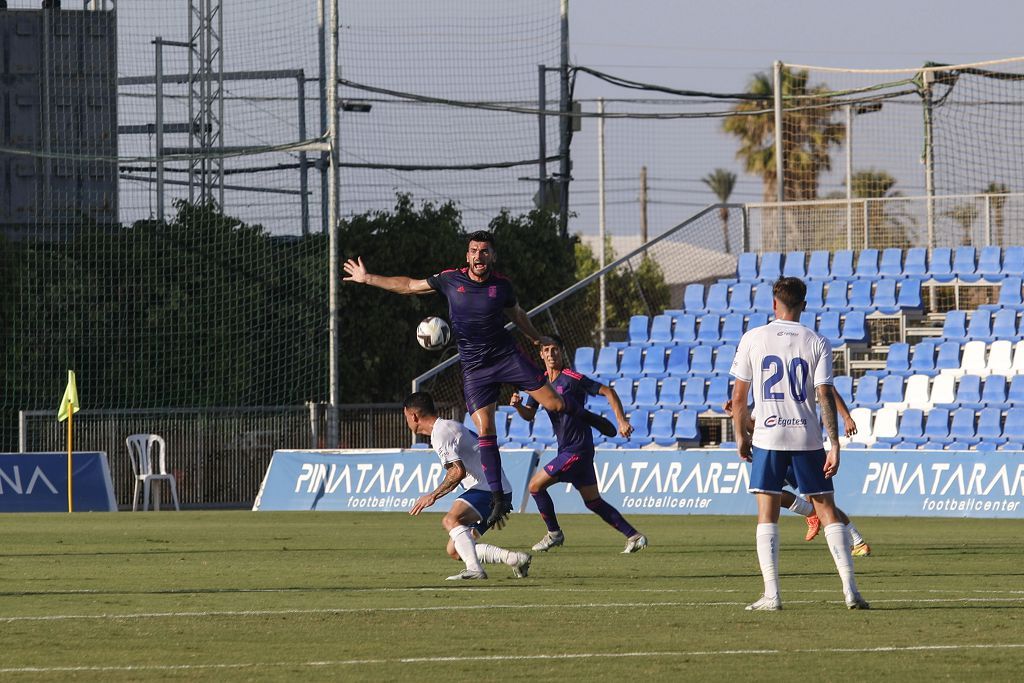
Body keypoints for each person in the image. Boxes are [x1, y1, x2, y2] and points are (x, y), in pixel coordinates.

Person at [344, 230, 615, 530]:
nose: (478, 256)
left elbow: (518, 314)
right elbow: (408, 285)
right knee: (485, 429)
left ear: (492, 257)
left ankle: (593, 419)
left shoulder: (502, 287)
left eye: (484, 251)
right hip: (475, 370)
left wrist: (536, 338)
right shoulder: (450, 280)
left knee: (555, 403)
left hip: (507, 358)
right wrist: (367, 278)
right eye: (474, 250)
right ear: (467, 256)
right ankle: (498, 496)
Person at [729, 276, 869, 611]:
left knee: (767, 513)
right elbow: (823, 394)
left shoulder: (753, 338)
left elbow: (738, 397)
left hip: (768, 436)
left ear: (774, 303)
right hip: (807, 437)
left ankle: (772, 596)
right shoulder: (817, 341)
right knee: (827, 510)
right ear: (804, 305)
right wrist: (834, 444)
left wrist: (740, 437)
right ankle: (851, 591)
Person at [510, 336, 648, 554]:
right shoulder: (539, 383)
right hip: (567, 449)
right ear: (541, 354)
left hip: (578, 448)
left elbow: (608, 392)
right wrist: (518, 407)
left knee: (535, 486)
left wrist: (621, 420)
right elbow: (529, 415)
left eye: (555, 349)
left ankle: (554, 534)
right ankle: (634, 536)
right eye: (547, 350)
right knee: (593, 501)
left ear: (562, 352)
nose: (551, 353)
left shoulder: (572, 378)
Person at [403, 392, 532, 581]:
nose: (407, 421)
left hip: (488, 490)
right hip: (497, 490)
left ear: (413, 416)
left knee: (450, 520)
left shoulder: (441, 432)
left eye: (405, 416)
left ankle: (474, 569)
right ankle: (514, 559)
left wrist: (432, 495)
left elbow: (457, 472)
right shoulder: (445, 428)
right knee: (455, 550)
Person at [723, 394, 872, 556]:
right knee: (769, 494)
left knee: (818, 501)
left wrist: (846, 417)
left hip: (804, 448)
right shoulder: (767, 395)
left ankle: (851, 538)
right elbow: (756, 427)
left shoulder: (799, 375)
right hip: (780, 451)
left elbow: (828, 390)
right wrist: (737, 415)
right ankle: (820, 518)